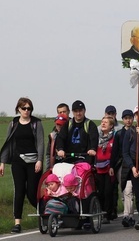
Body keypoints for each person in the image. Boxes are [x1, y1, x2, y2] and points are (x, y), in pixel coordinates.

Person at [0, 97, 45, 233]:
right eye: (24, 108)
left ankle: (45, 212)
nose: (27, 111)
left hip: (33, 162)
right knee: (19, 191)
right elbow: (8, 143)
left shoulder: (36, 123)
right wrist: (2, 162)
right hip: (17, 162)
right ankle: (17, 223)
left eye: (29, 108)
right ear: (18, 109)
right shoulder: (13, 123)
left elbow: (40, 143)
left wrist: (39, 160)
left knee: (32, 192)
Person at [111, 109, 136, 227]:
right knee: (125, 189)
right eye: (126, 118)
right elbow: (114, 151)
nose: (128, 120)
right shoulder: (119, 134)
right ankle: (128, 214)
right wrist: (112, 165)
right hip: (122, 164)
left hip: (134, 164)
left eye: (130, 118)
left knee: (129, 190)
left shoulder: (136, 131)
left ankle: (129, 215)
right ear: (123, 119)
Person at [55, 100, 99, 165]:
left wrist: (93, 149)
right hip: (68, 159)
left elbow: (94, 138)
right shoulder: (67, 124)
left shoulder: (90, 125)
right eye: (76, 111)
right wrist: (60, 149)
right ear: (72, 112)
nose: (78, 113)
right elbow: (61, 137)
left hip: (84, 159)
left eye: (80, 110)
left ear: (84, 111)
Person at [95, 116, 116, 223]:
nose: (103, 124)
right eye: (102, 122)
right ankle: (101, 212)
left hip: (109, 168)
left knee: (108, 192)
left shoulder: (114, 138)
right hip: (98, 168)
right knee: (100, 192)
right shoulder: (97, 138)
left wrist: (112, 166)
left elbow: (115, 154)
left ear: (111, 125)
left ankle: (108, 214)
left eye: (106, 122)